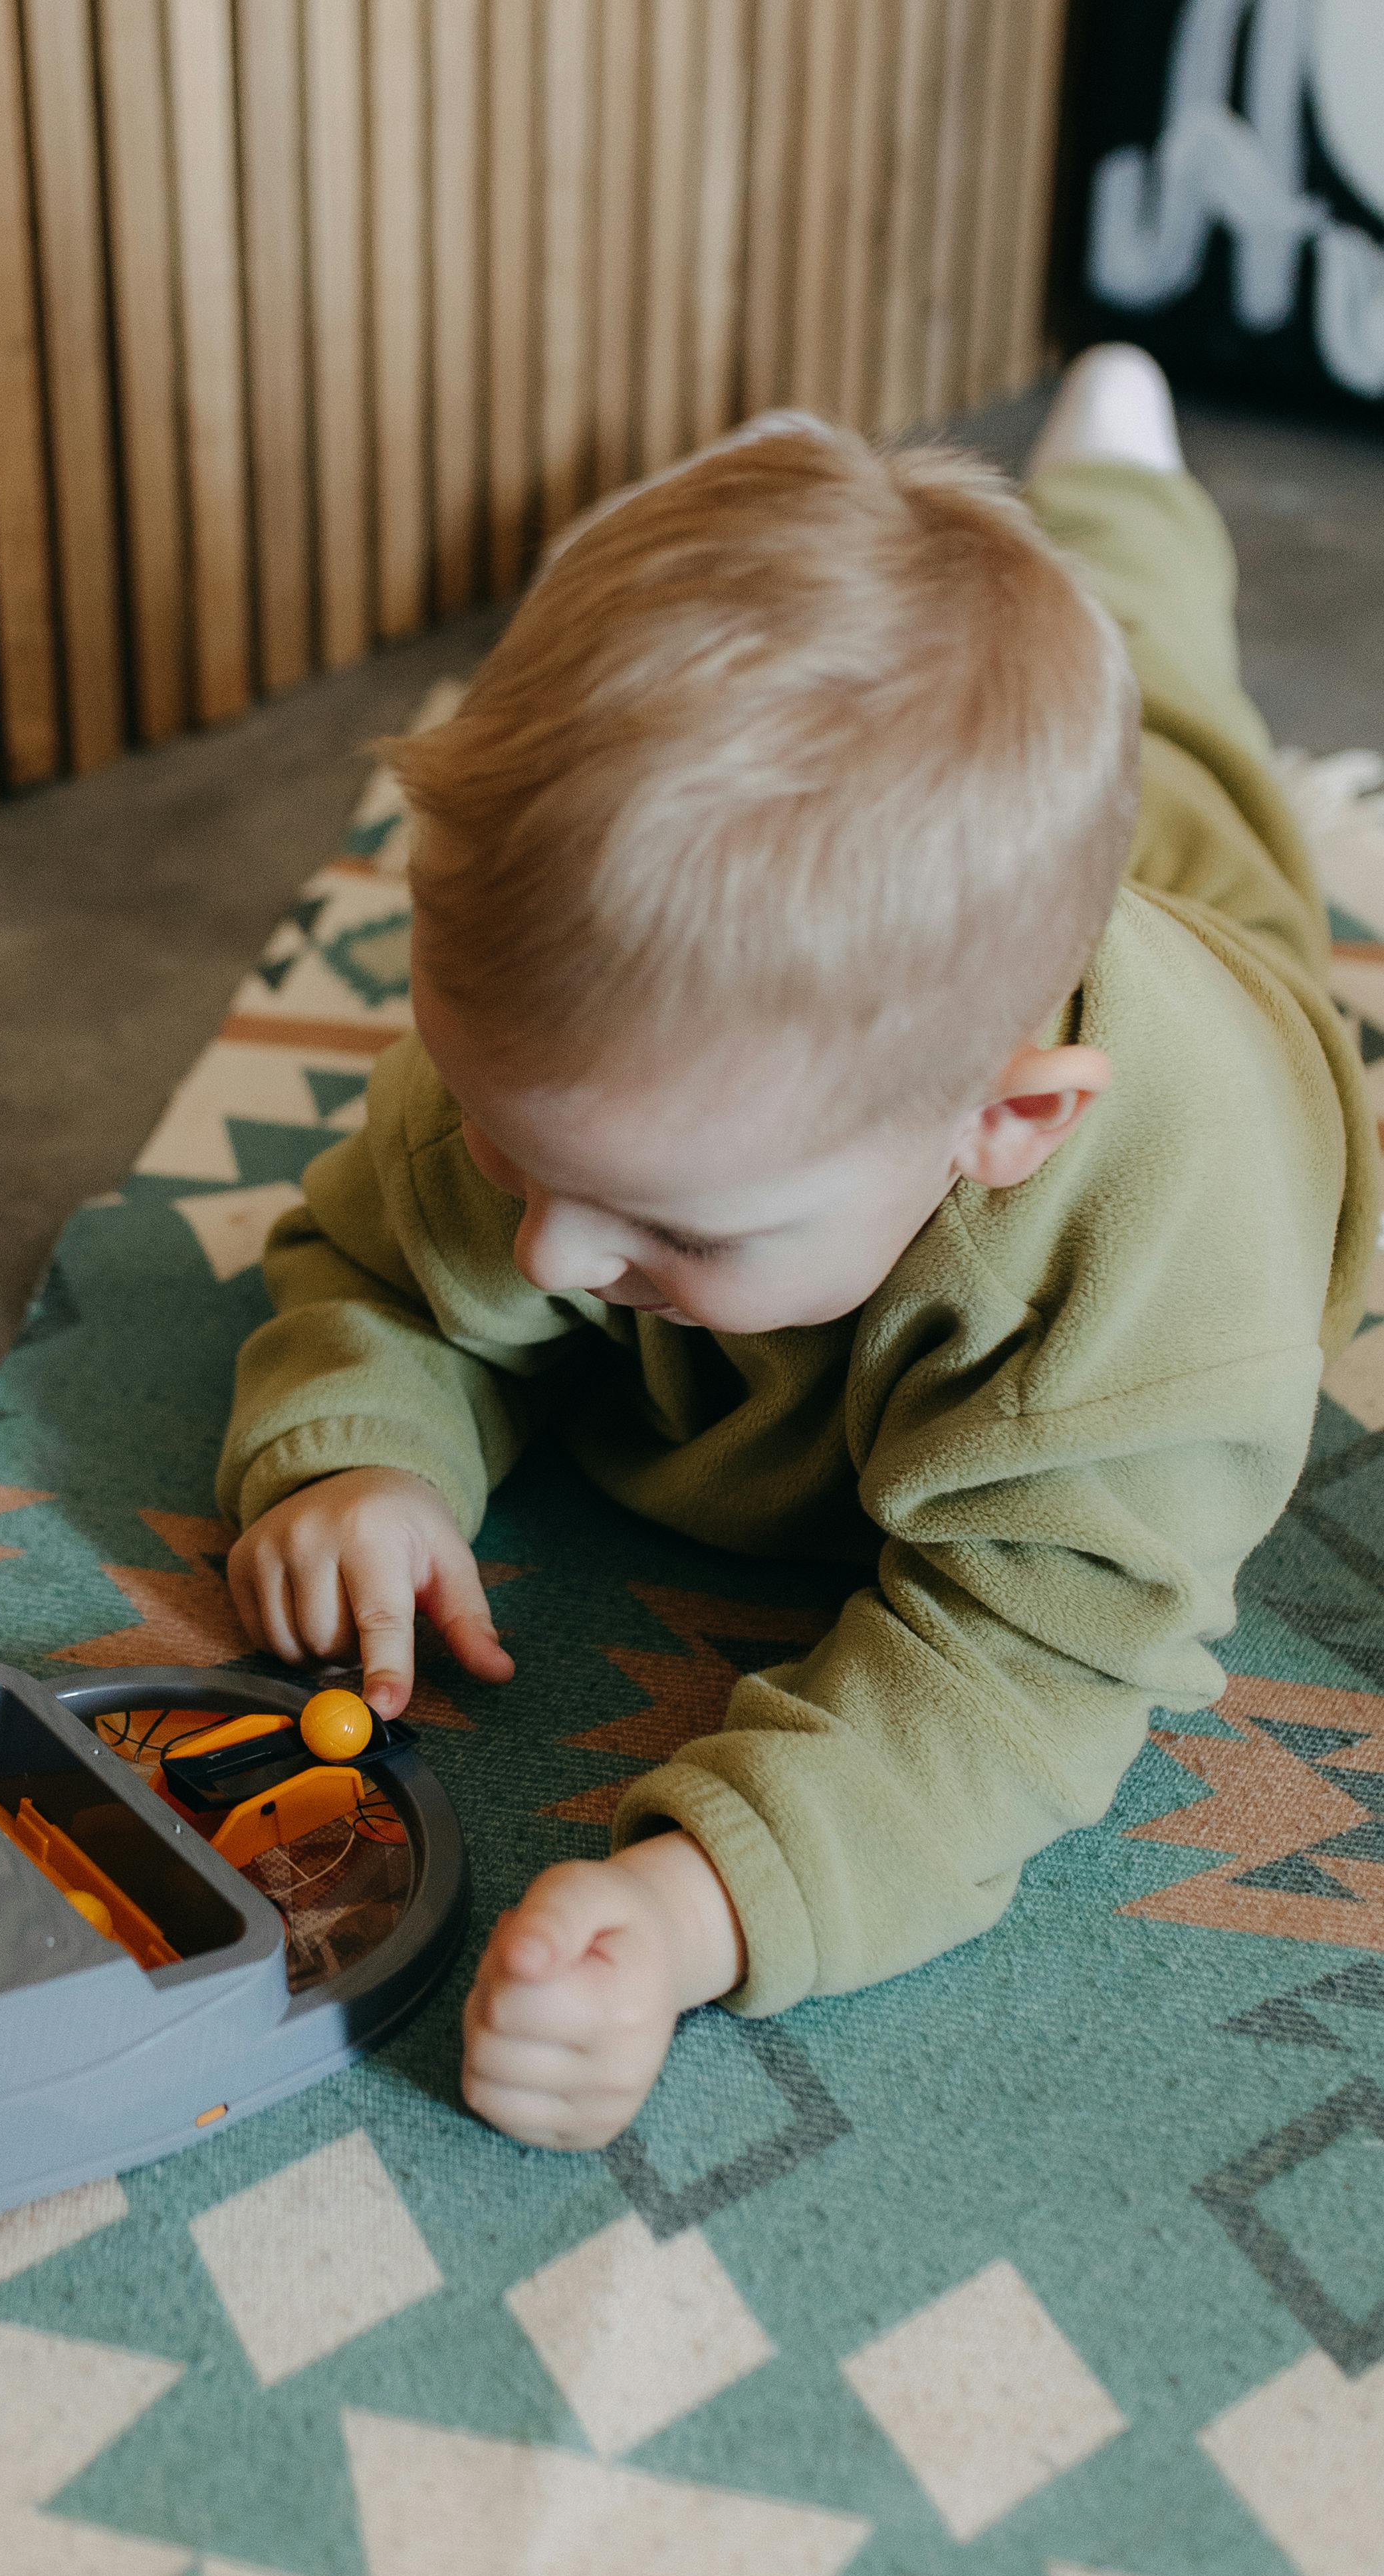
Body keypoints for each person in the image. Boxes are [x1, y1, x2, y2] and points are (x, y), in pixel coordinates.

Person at [217, 348, 1377, 2151]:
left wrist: (695, 1908)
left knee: (1167, 699)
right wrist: (364, 1448)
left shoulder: (1155, 1320)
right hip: (877, 971)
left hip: (1198, 929)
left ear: (1006, 1126)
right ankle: (811, 520)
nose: (543, 1243)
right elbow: (370, 1267)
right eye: (510, 1149)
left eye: (668, 1227)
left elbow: (1016, 1685)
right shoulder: (606, 1071)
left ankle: (1119, 468)